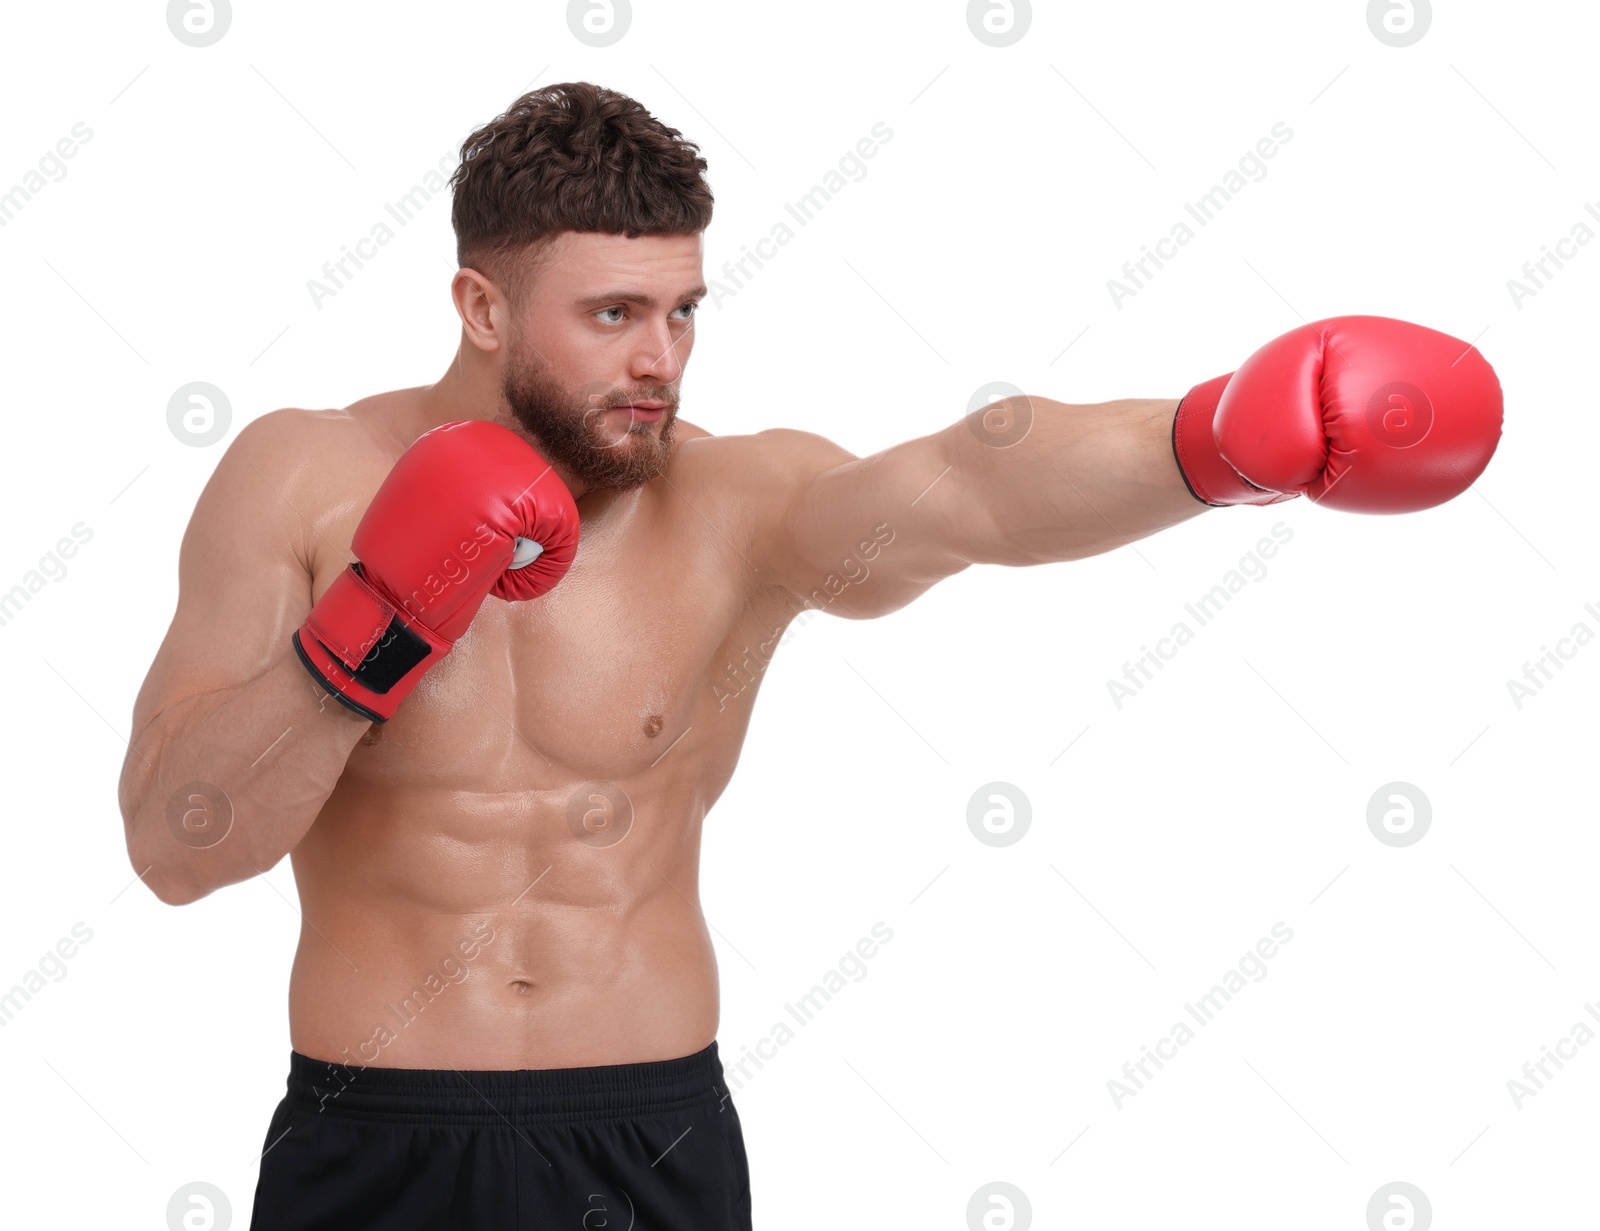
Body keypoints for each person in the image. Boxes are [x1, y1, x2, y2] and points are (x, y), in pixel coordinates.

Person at [116, 81, 1502, 1230]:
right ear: (480, 309)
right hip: (378, 1136)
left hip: (645, 1137)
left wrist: (1219, 445)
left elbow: (972, 483)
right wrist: (374, 625)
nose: (661, 358)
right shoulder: (299, 478)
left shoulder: (734, 505)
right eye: (611, 315)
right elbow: (179, 849)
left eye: (685, 310)